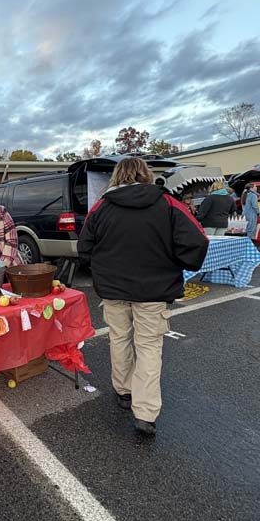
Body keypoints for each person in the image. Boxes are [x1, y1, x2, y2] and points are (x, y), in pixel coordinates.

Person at [77, 158, 208, 436]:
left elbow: (84, 246)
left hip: (113, 290)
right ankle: (145, 413)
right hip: (153, 290)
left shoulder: (102, 206)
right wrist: (173, 264)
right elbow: (197, 240)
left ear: (117, 176)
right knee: (149, 348)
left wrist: (100, 271)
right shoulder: (167, 202)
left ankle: (124, 391)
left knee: (120, 339)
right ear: (145, 174)